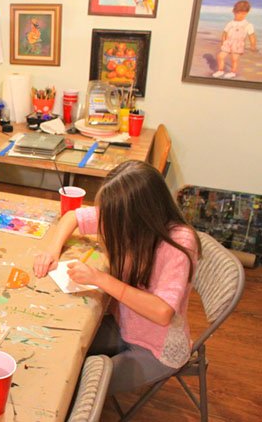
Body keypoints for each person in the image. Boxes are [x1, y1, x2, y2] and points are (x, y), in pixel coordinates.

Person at [33, 160, 201, 396]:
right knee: (58, 350)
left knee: (74, 390)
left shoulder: (179, 243)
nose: (109, 224)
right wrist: (52, 249)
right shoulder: (129, 217)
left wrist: (100, 278)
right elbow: (73, 217)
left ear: (140, 214)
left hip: (155, 349)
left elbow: (163, 313)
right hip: (124, 325)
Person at [213, 0, 257, 79]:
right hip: (228, 42)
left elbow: (252, 36)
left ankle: (233, 72)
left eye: (243, 13)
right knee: (220, 56)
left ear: (246, 13)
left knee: (234, 58)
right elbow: (225, 33)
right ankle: (220, 70)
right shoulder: (231, 23)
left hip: (238, 44)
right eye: (238, 13)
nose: (240, 15)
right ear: (234, 12)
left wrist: (253, 45)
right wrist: (223, 42)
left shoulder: (248, 25)